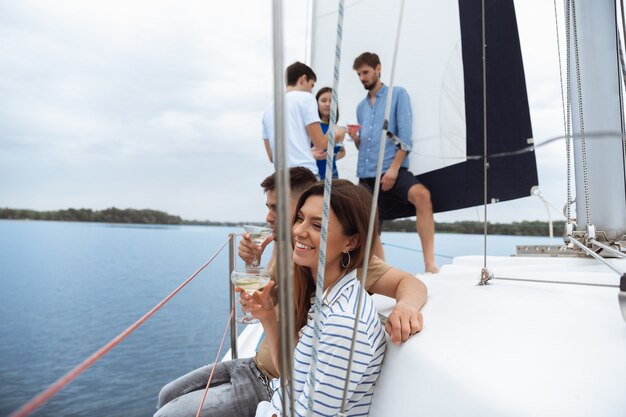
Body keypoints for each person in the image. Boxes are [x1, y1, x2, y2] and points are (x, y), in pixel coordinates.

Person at [155, 167, 427, 417]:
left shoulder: (345, 295)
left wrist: (406, 307)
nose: (269, 217)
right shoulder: (300, 263)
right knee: (167, 395)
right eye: (300, 218)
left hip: (275, 381)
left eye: (277, 208)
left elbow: (410, 283)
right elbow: (272, 305)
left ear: (351, 241)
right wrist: (253, 268)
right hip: (270, 369)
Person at [246, 180, 386, 416]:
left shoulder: (343, 324)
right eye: (300, 218)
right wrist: (268, 315)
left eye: (318, 225)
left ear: (350, 242)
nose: (298, 231)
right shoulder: (326, 297)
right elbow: (295, 380)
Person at [347, 52, 439, 273]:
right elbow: (365, 148)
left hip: (392, 169)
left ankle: (430, 264)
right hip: (366, 175)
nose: (362, 78)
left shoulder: (397, 95)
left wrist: (394, 169)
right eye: (359, 74)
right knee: (369, 225)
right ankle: (382, 273)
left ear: (378, 69)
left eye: (366, 72)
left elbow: (405, 140)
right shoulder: (360, 107)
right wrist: (356, 139)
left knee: (423, 196)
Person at [262, 62, 327, 177]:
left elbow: (272, 156)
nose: (311, 90)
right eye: (311, 85)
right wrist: (336, 134)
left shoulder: (268, 109)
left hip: (280, 179)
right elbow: (321, 144)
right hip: (304, 175)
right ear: (303, 79)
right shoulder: (307, 98)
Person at [313, 87, 346, 179]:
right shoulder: (313, 127)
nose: (328, 104)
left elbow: (342, 152)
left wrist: (332, 157)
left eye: (331, 101)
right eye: (323, 101)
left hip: (333, 176)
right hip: (315, 176)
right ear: (316, 103)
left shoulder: (336, 128)